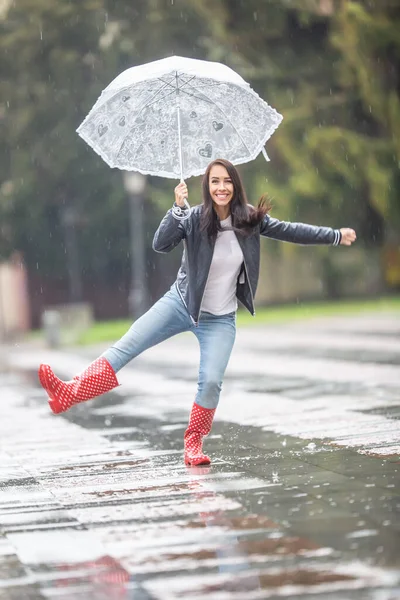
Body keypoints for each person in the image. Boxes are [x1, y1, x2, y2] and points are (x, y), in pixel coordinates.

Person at [38, 158, 356, 466]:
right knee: (126, 346)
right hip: (180, 304)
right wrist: (176, 210)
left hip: (219, 320)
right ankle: (69, 393)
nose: (221, 187)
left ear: (235, 185)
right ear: (206, 186)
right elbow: (161, 244)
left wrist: (335, 235)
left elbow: (291, 230)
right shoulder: (193, 217)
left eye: (227, 180)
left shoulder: (249, 219)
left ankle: (193, 444)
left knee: (212, 381)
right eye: (215, 181)